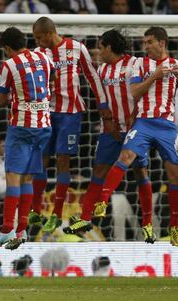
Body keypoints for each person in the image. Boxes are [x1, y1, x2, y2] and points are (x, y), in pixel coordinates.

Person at [63, 30, 155, 244]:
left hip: (135, 128)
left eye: (101, 47)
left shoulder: (135, 64)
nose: (98, 51)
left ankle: (148, 224)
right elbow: (102, 98)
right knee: (99, 170)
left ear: (110, 47)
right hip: (111, 130)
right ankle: (85, 219)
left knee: (141, 173)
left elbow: (145, 92)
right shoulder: (102, 69)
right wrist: (107, 121)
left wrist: (136, 116)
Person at [93, 27, 178, 247]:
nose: (146, 46)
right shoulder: (141, 64)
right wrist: (156, 76)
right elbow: (135, 92)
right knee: (126, 155)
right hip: (144, 122)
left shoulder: (176, 65)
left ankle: (175, 226)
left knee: (174, 174)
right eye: (144, 42)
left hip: (168, 125)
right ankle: (102, 201)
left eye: (150, 42)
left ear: (162, 42)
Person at [29, 16, 114, 234]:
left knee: (63, 161)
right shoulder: (38, 54)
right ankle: (36, 211)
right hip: (46, 113)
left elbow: (92, 76)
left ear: (50, 33)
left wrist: (102, 103)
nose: (37, 42)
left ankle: (57, 214)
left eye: (39, 37)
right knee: (42, 159)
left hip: (71, 114)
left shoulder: (76, 48)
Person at [0, 27, 54, 250]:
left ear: (7, 48)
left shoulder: (9, 65)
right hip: (44, 126)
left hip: (22, 127)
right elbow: (49, 80)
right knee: (27, 179)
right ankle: (22, 230)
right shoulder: (43, 57)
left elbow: (0, 100)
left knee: (13, 178)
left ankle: (7, 230)